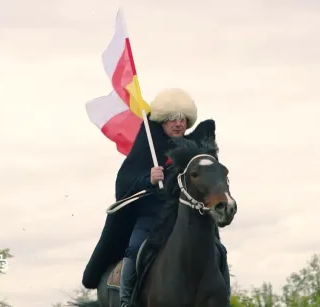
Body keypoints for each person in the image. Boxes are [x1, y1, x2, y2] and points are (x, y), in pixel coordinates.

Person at [81, 88, 231, 306]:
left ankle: (223, 298)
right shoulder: (146, 148)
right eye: (172, 119)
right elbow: (124, 184)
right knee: (135, 249)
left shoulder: (195, 152)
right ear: (162, 121)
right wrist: (148, 179)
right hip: (152, 218)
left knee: (219, 250)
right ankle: (127, 301)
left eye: (182, 119)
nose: (178, 123)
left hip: (186, 219)